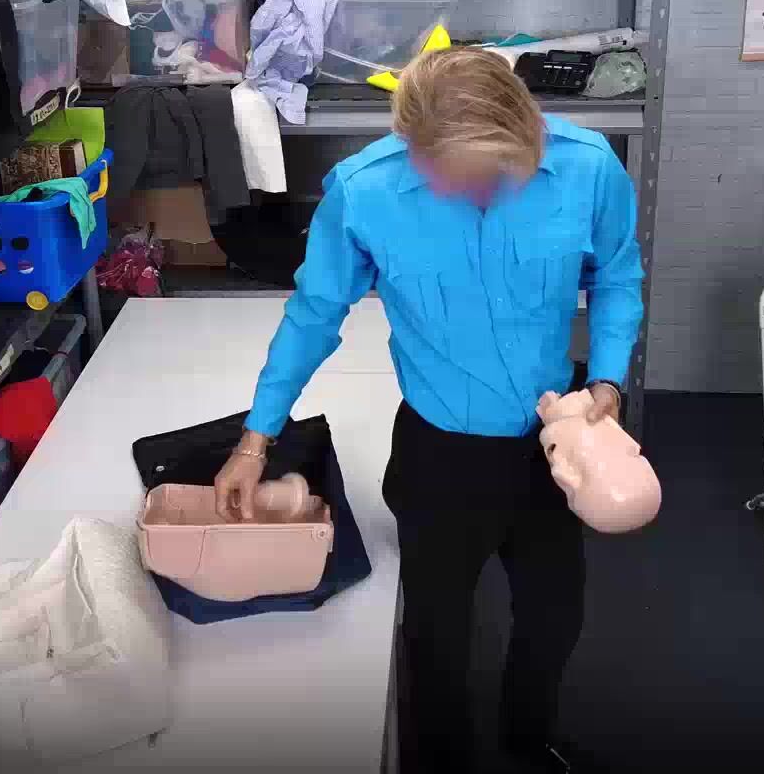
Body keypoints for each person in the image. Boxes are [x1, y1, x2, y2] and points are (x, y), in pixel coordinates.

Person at [214, 46, 645, 773]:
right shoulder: (365, 192)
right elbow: (313, 317)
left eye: (499, 170)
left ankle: (527, 736)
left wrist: (607, 379)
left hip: (552, 442)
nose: (482, 186)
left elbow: (619, 276)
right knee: (437, 631)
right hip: (441, 452)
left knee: (555, 612)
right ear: (414, 146)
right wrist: (255, 440)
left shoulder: (588, 167)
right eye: (461, 173)